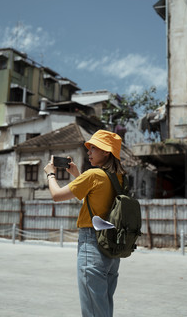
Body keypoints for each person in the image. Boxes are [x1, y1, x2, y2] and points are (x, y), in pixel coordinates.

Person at [44, 129, 126, 317]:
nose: (88, 152)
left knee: (93, 309)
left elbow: (56, 195)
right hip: (113, 248)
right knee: (103, 306)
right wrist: (77, 175)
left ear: (106, 152)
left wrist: (51, 174)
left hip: (93, 245)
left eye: (93, 148)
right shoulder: (120, 177)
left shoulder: (94, 175)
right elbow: (94, 201)